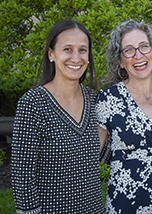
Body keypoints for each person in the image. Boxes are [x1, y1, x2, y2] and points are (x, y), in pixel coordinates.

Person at [11, 19, 105, 213]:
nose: (76, 58)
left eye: (82, 50)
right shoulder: (33, 104)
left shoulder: (93, 99)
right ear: (51, 54)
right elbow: (22, 177)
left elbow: (102, 154)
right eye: (68, 49)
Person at [95, 19, 152, 213]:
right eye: (128, 50)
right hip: (126, 204)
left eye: (144, 47)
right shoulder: (108, 99)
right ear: (119, 60)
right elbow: (91, 156)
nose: (138, 55)